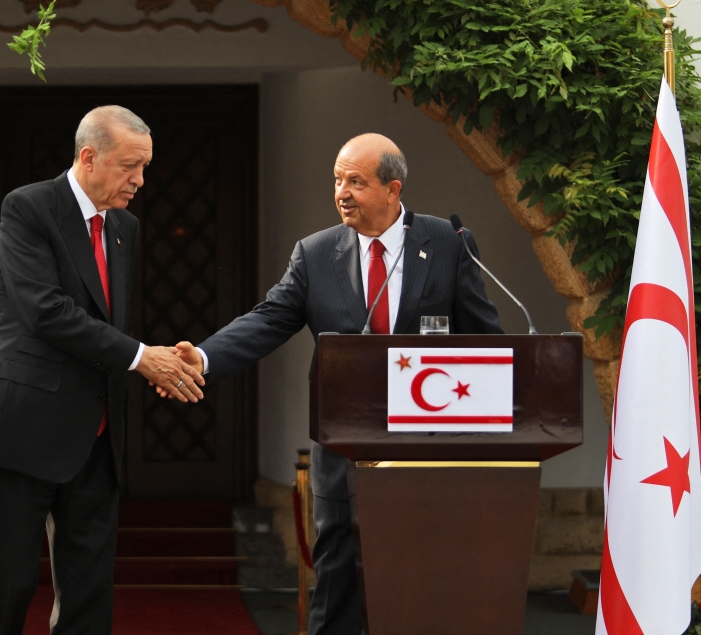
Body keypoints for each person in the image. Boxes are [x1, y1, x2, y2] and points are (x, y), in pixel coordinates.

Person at [163, 133, 503, 634]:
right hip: (344, 446)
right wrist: (205, 356)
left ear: (393, 188)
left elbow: (486, 341)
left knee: (422, 582)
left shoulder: (448, 243)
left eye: (356, 182)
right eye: (337, 180)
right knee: (339, 581)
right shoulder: (316, 253)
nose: (342, 192)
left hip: (429, 446)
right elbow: (268, 319)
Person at [0, 105, 204, 635]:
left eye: (145, 167)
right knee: (5, 590)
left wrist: (151, 361)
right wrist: (144, 358)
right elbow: (46, 311)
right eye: (129, 166)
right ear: (89, 156)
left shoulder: (125, 227)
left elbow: (102, 320)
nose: (140, 180)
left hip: (96, 435)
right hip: (21, 427)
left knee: (89, 594)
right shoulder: (28, 207)